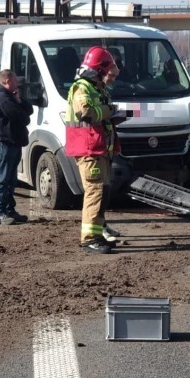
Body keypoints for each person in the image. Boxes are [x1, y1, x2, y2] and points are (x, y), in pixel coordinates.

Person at [64, 46, 124, 253]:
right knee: (95, 192)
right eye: (107, 72)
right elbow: (86, 113)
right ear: (99, 69)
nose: (109, 77)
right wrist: (111, 111)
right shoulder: (82, 88)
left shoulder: (96, 87)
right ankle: (89, 238)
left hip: (99, 150)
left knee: (102, 192)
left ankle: (97, 235)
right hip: (89, 150)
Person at [0, 69, 33, 225]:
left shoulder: (9, 96)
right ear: (6, 81)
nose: (17, 84)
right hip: (5, 143)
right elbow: (23, 118)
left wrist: (19, 100)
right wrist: (18, 105)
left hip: (12, 142)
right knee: (3, 179)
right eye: (14, 81)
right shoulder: (2, 98)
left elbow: (29, 110)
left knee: (11, 179)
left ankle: (9, 210)